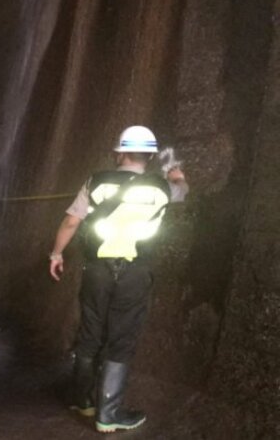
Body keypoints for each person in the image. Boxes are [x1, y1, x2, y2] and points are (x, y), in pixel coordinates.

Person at [48, 125, 189, 433]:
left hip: (97, 270)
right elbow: (182, 190)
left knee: (90, 330)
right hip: (136, 272)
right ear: (150, 156)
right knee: (121, 338)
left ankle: (82, 399)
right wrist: (174, 171)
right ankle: (108, 414)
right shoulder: (162, 187)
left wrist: (56, 254)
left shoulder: (96, 181)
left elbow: (72, 221)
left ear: (120, 152)